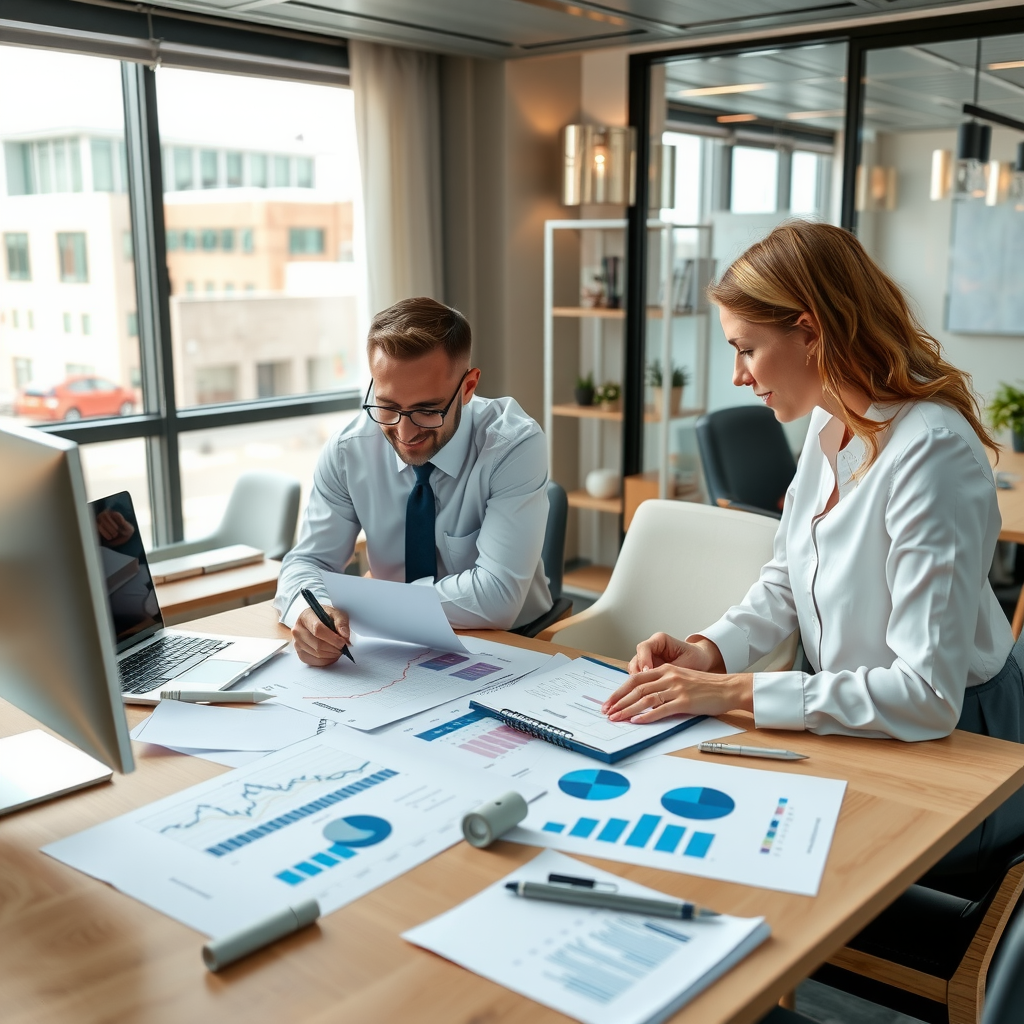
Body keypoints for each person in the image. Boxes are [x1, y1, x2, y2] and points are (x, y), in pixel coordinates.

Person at [602, 221, 1020, 871]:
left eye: (746, 349)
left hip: (956, 748)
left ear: (810, 331)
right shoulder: (831, 420)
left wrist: (732, 692)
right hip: (852, 722)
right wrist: (709, 652)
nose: (738, 375)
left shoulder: (930, 452)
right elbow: (788, 575)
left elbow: (926, 696)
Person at [275, 296, 552, 667]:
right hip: (390, 645)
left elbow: (496, 596)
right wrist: (311, 613)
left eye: (427, 410)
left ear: (468, 387)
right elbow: (308, 561)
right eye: (388, 407)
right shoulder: (348, 450)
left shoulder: (513, 445)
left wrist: (371, 602)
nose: (405, 434)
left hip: (512, 643)